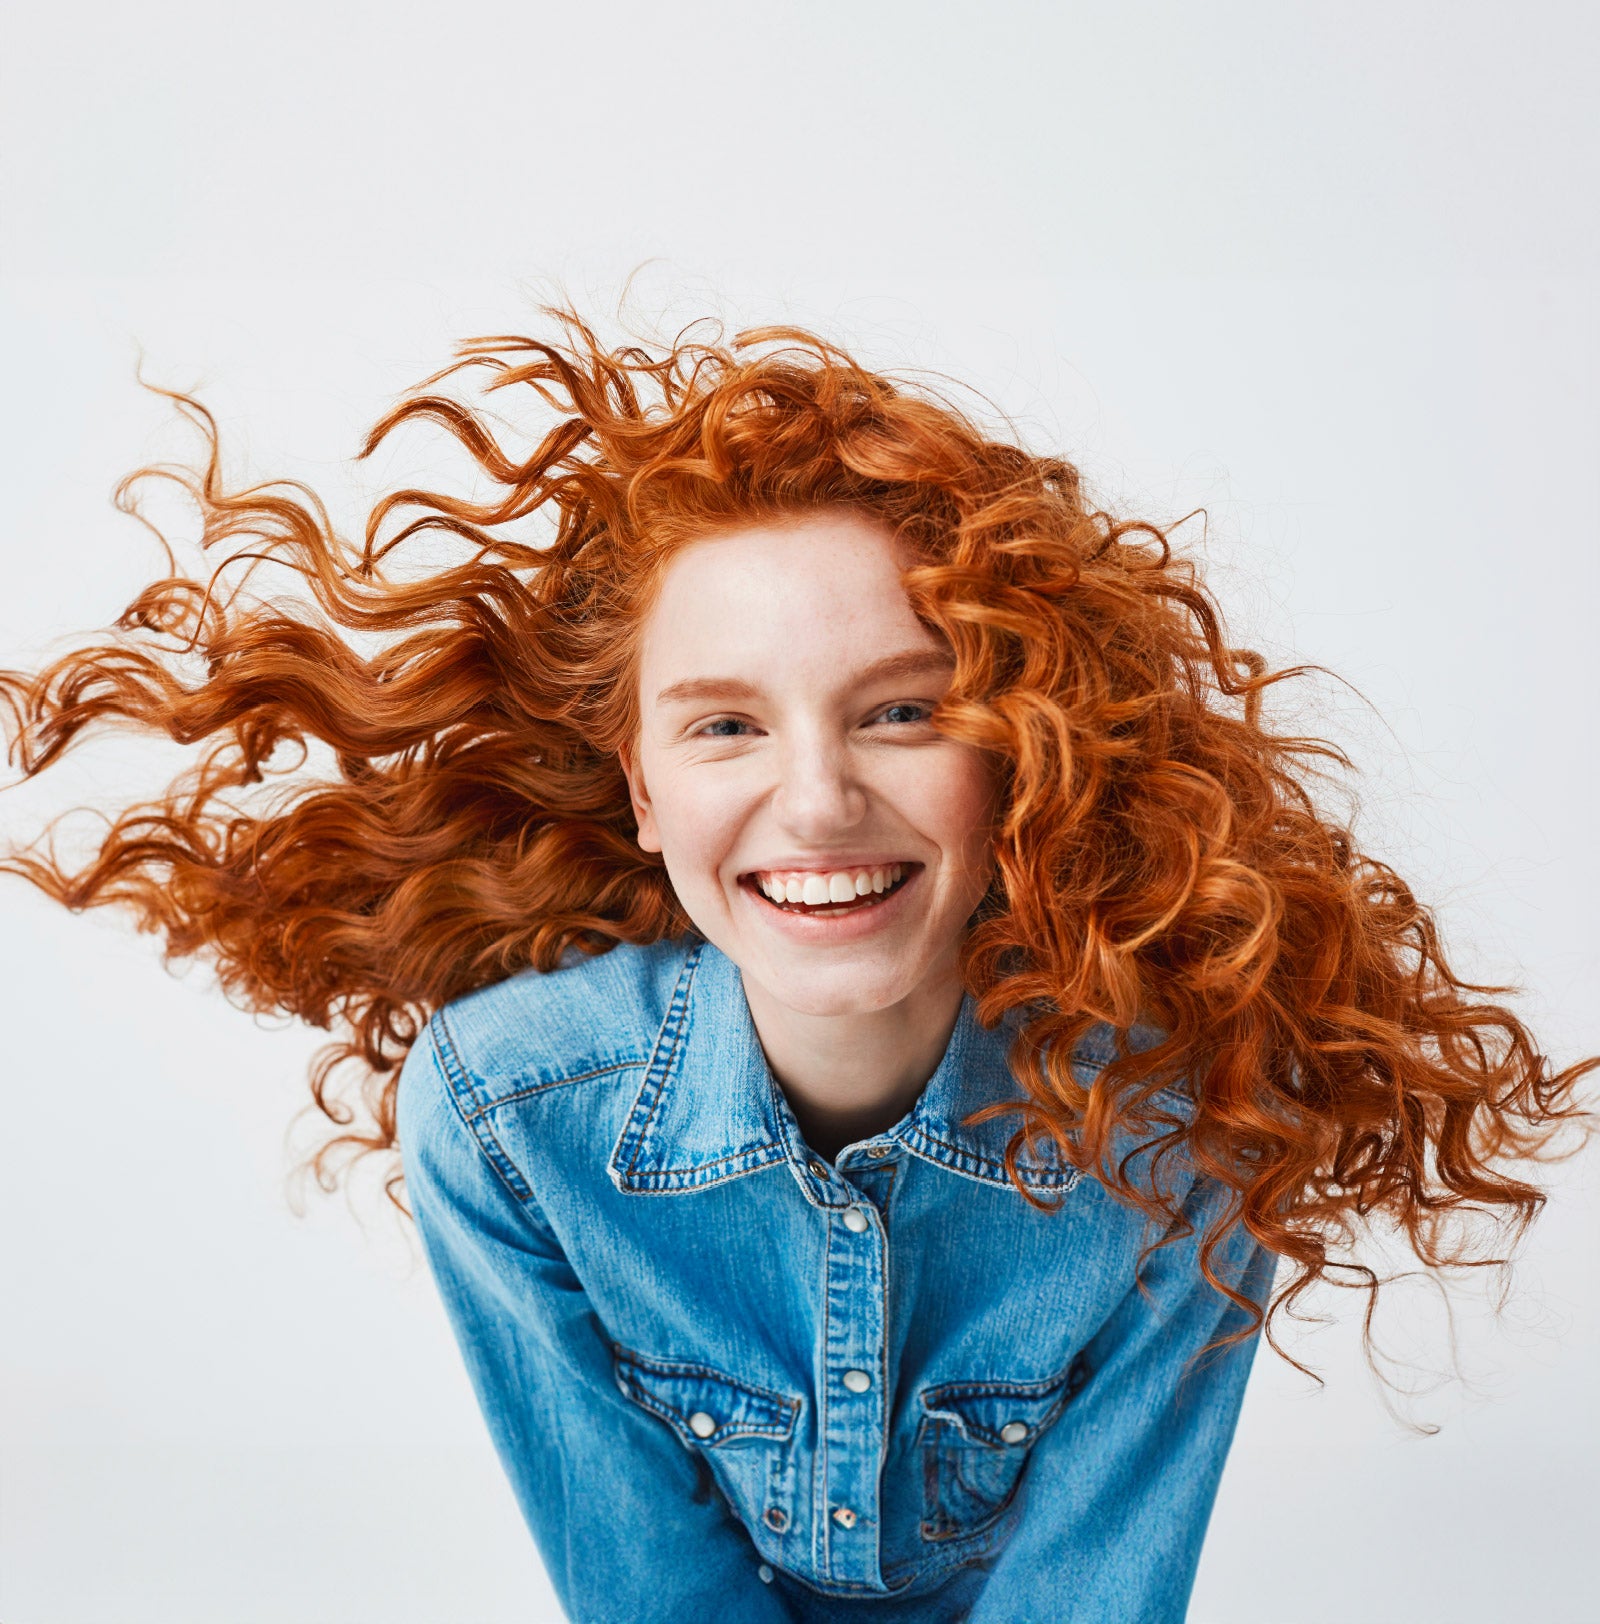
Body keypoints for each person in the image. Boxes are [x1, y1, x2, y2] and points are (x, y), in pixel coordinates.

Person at [2, 307, 1593, 1623]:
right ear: (641, 786)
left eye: (900, 710)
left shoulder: (1183, 1131)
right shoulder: (504, 1116)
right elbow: (646, 1590)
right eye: (725, 726)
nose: (818, 801)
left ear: (1013, 756)